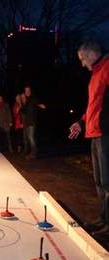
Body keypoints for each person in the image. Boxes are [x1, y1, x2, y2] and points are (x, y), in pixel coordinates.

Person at [69, 40, 109, 241]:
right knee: (100, 181)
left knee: (108, 180)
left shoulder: (107, 67)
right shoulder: (95, 74)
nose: (82, 63)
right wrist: (81, 122)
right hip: (93, 133)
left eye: (82, 59)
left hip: (105, 133)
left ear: (92, 54)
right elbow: (94, 104)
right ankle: (104, 219)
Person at [20, 86, 46, 158]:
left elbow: (35, 103)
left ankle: (33, 153)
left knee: (31, 137)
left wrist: (40, 105)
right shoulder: (25, 101)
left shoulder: (33, 98)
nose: (27, 92)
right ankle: (32, 151)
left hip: (32, 121)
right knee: (29, 137)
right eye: (26, 91)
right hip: (27, 122)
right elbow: (23, 111)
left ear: (30, 91)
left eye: (28, 90)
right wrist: (23, 103)